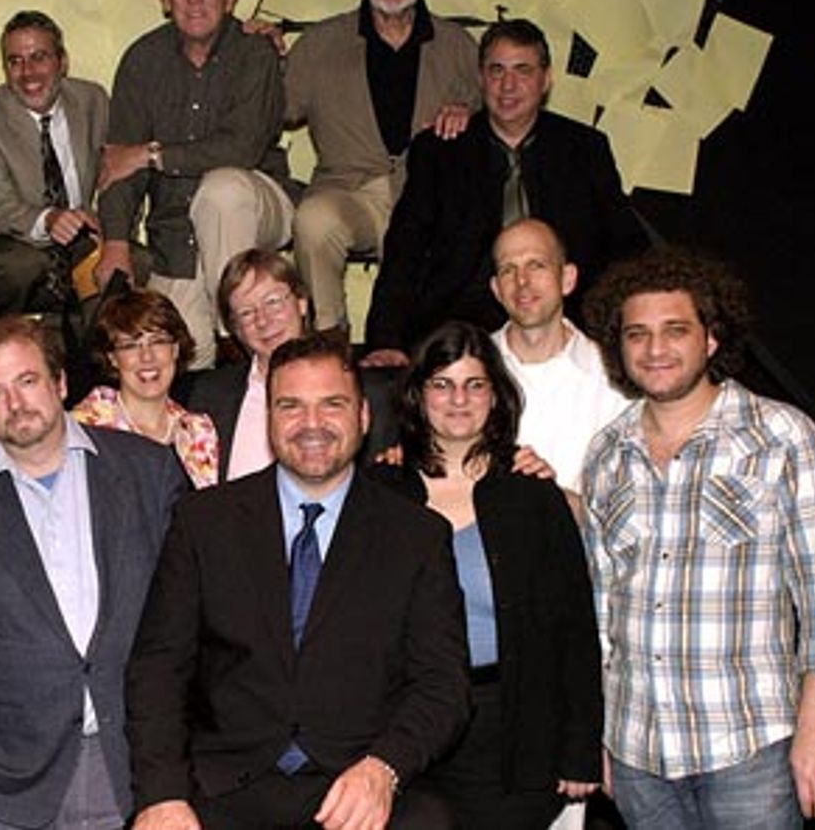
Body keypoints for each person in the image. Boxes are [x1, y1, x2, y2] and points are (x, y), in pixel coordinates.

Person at [126, 333, 469, 829]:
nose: (312, 424)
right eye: (291, 406)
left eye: (332, 404)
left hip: (358, 779)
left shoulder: (416, 537)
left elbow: (443, 685)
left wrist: (385, 768)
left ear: (363, 416)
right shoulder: (204, 522)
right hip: (224, 783)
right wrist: (161, 794)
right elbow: (158, 668)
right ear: (269, 419)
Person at [581, 247, 815, 828]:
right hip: (637, 752)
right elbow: (599, 605)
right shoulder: (607, 452)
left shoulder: (781, 437)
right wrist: (601, 734)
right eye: (637, 334)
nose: (655, 349)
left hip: (750, 748)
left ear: (711, 337)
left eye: (675, 330)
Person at [0, 316, 187, 829]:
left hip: (135, 763)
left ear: (60, 382)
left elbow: (189, 617)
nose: (15, 403)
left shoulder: (148, 472)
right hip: (7, 783)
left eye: (27, 381)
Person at [377, 321, 602, 828]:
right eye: (442, 384)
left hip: (514, 730)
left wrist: (581, 749)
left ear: (495, 397)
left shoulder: (532, 494)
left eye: (474, 384)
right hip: (408, 727)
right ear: (418, 395)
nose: (459, 399)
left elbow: (574, 627)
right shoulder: (381, 491)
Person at [364, 19, 645, 364]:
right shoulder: (439, 150)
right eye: (496, 70)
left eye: (522, 70)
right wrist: (386, 340)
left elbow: (625, 246)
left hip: (569, 320)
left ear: (546, 79)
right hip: (461, 322)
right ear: (481, 79)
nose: (508, 85)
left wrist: (631, 325)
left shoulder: (584, 148)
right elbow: (405, 249)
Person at [97, 0, 294, 369]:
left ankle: (238, 340)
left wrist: (152, 155)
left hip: (257, 207)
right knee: (170, 361)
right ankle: (221, 357)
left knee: (222, 189)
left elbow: (241, 148)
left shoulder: (255, 51)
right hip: (177, 237)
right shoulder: (142, 60)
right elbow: (118, 162)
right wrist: (115, 242)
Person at [286, 0, 480, 338]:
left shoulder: (459, 46)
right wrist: (248, 50)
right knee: (314, 220)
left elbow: (498, 120)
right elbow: (269, 112)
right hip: (350, 193)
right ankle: (329, 339)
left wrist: (470, 116)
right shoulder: (318, 45)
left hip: (429, 200)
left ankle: (441, 349)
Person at [183, 248, 399, 481]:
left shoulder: (373, 395)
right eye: (246, 313)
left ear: (301, 303)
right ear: (235, 329)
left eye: (273, 302)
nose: (263, 320)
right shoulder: (209, 395)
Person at [0, 10, 113, 315]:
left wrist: (109, 225)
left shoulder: (93, 101)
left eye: (39, 57)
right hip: (13, 239)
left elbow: (116, 171)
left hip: (81, 235)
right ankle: (6, 337)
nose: (28, 73)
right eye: (15, 61)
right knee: (20, 267)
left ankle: (97, 341)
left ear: (63, 62)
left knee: (132, 262)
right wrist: (47, 219)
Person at [489, 218, 629, 495]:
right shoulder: (467, 372)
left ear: (567, 279)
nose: (522, 281)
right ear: (496, 289)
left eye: (536, 265)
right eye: (508, 269)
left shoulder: (616, 379)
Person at [72, 289, 218, 488]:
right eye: (130, 346)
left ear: (175, 349)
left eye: (158, 342)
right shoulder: (84, 430)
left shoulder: (198, 430)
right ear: (112, 358)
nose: (147, 357)